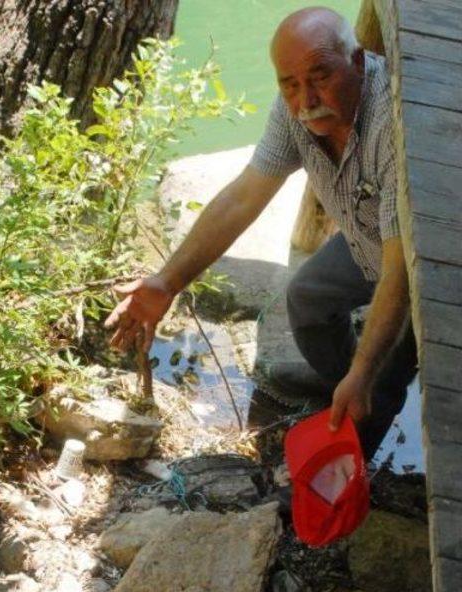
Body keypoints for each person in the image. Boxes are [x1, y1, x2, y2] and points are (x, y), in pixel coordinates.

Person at [104, 6, 417, 461]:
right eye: (289, 84)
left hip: (428, 264)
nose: (305, 98)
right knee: (307, 298)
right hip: (369, 241)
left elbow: (399, 274)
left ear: (357, 62)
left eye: (320, 76)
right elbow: (243, 196)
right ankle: (339, 379)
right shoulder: (296, 107)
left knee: (382, 373)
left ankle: (357, 449)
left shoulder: (394, 124)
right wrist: (167, 281)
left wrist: (365, 370)